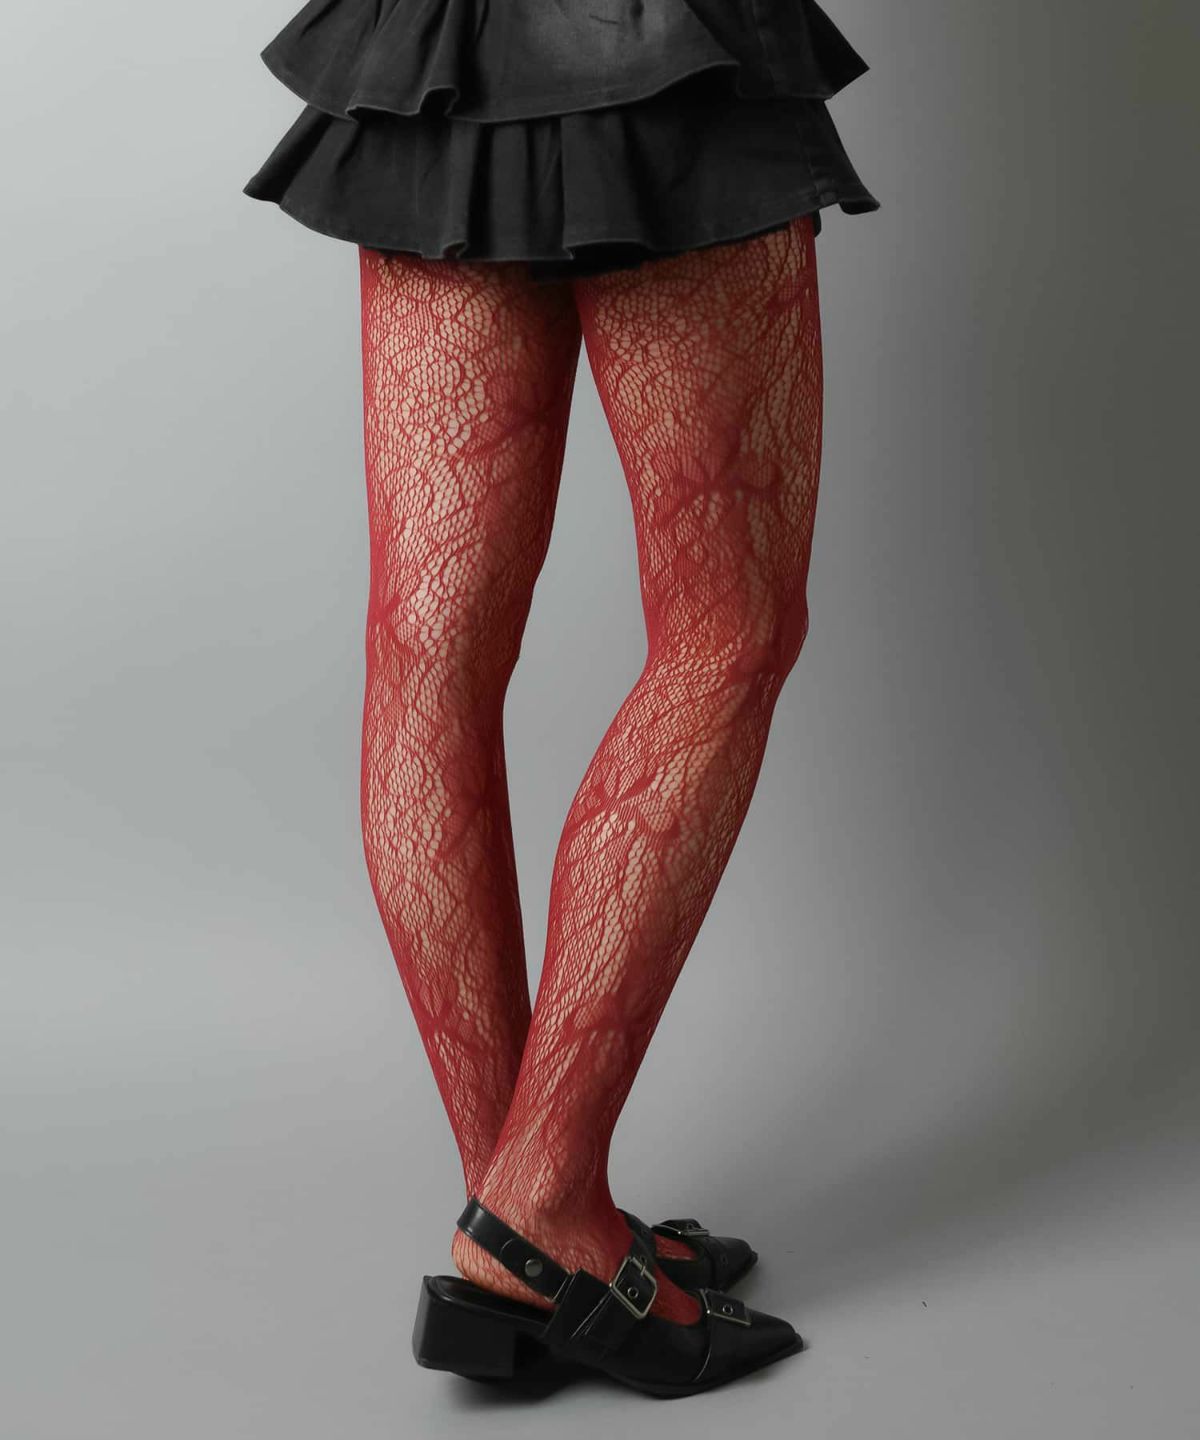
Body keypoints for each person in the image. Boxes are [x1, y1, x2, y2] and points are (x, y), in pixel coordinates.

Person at [243, 0, 879, 1398]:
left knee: (429, 650)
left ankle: (524, 1223)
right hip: (663, 41)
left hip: (438, 44)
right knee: (728, 631)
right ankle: (540, 1215)